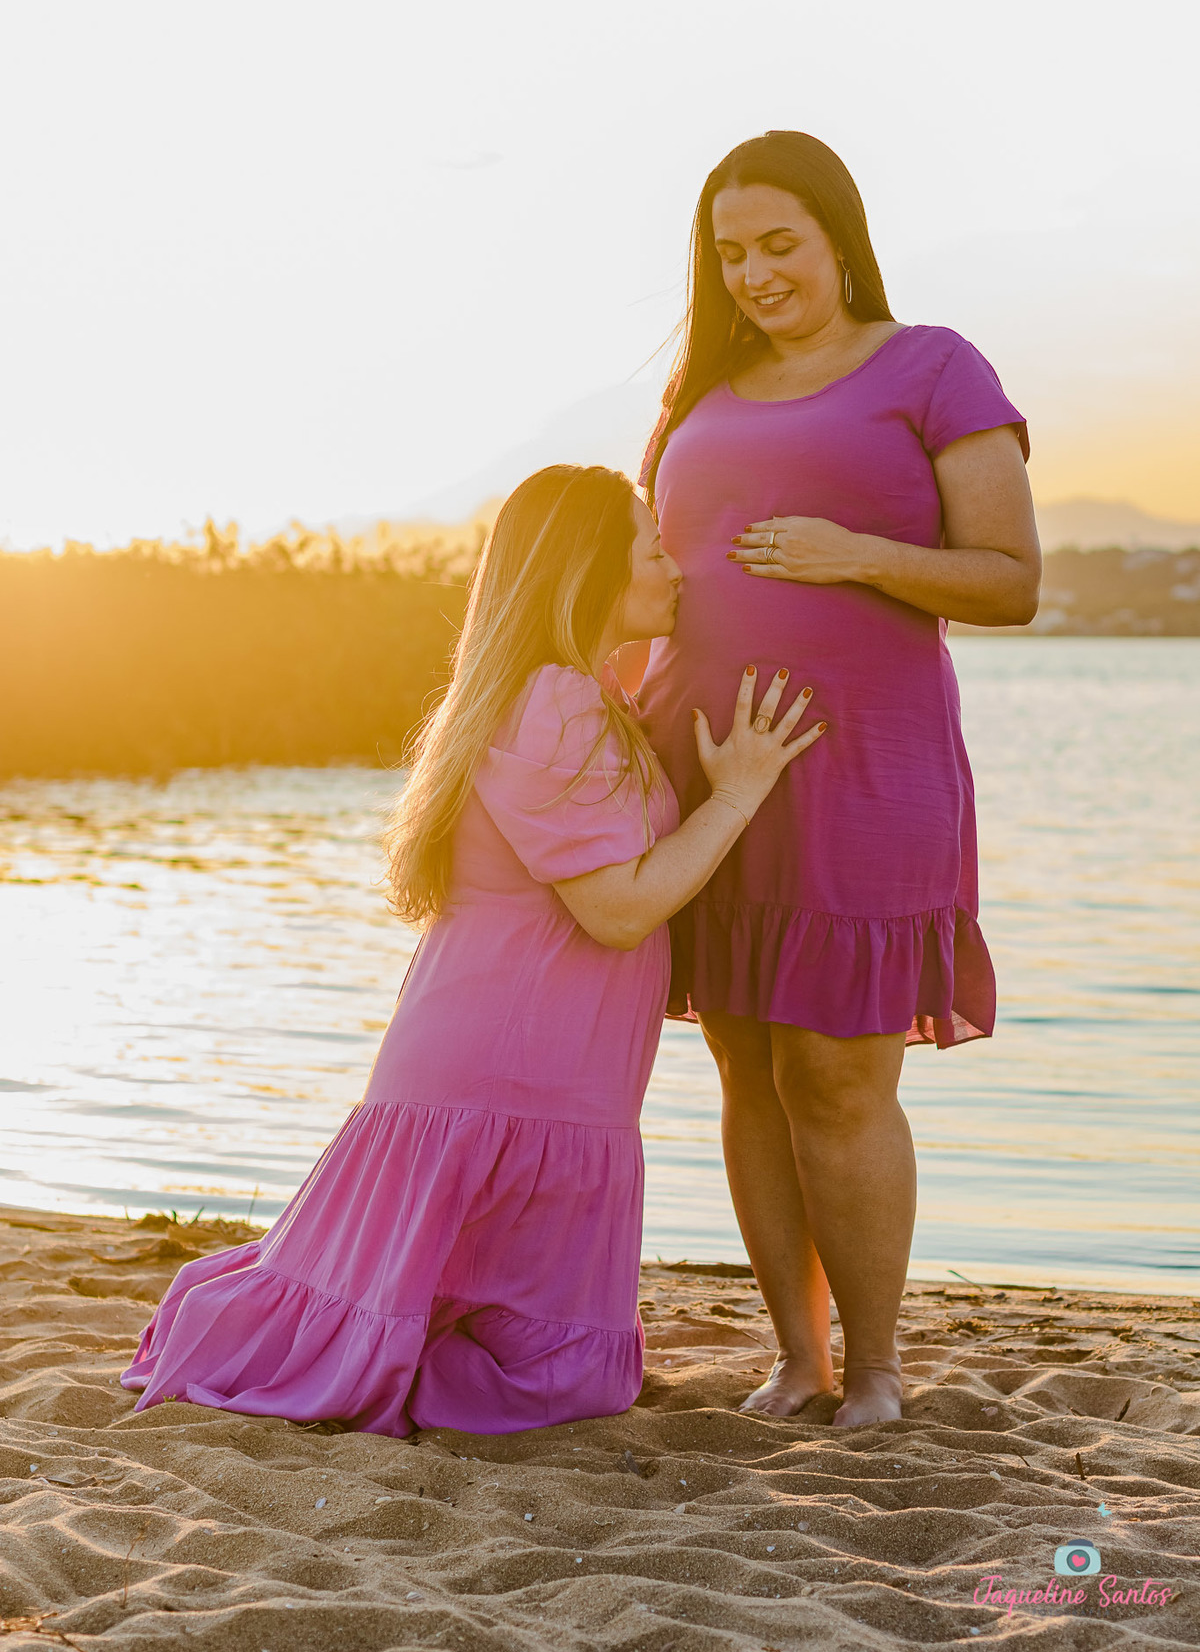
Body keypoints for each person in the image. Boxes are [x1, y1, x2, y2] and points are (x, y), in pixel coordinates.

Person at [120, 463, 826, 1437]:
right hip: (500, 1081)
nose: (675, 568)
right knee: (554, 1381)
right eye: (653, 547)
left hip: (542, 1092)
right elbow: (619, 909)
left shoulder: (582, 696)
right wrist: (739, 795)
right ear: (586, 572)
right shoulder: (555, 704)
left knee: (568, 1373)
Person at [635, 130, 1041, 1428]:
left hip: (865, 769)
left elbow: (1011, 583)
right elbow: (655, 577)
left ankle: (874, 1372)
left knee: (837, 1073)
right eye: (730, 253)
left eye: (779, 244)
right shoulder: (703, 391)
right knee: (747, 1065)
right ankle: (799, 1361)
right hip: (708, 767)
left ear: (839, 239)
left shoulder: (934, 367)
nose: (755, 273)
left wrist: (854, 552)